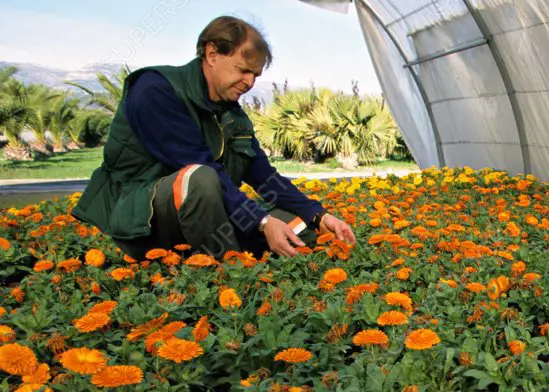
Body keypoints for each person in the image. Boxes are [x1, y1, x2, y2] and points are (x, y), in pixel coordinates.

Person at [71, 15, 356, 259]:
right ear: (211, 54)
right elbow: (199, 169)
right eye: (243, 70)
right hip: (144, 224)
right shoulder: (155, 91)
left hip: (213, 219)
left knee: (298, 231)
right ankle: (228, 276)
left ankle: (227, 256)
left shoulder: (232, 114)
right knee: (200, 177)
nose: (250, 82)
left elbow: (265, 178)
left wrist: (320, 216)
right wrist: (262, 221)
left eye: (255, 74)